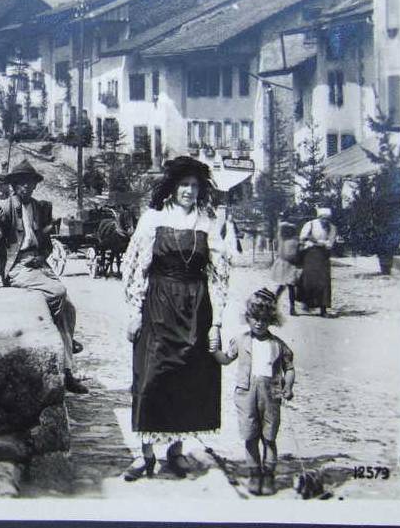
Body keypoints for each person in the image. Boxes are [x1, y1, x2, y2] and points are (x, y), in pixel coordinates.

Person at [121, 156, 230, 480]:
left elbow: (220, 274)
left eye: (195, 186)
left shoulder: (207, 223)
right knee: (150, 376)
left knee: (187, 378)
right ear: (172, 187)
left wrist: (218, 321)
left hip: (196, 309)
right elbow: (134, 268)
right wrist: (134, 313)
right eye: (184, 184)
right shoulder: (152, 220)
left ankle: (176, 451)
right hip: (157, 307)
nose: (189, 191)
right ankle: (145, 455)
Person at [0, 159, 89, 394]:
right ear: (15, 185)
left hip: (37, 264)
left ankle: (67, 363)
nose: (26, 187)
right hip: (16, 268)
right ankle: (65, 358)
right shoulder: (4, 208)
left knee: (69, 308)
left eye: (30, 183)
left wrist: (44, 252)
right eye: (21, 183)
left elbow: (45, 241)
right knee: (58, 293)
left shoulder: (39, 208)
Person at [213, 288, 295, 496]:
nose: (259, 323)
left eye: (264, 319)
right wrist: (214, 350)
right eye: (255, 318)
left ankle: (268, 474)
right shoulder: (240, 341)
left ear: (272, 320)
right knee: (250, 436)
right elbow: (225, 359)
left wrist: (288, 387)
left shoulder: (278, 345)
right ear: (247, 318)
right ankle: (254, 473)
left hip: (271, 396)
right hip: (246, 396)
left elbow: (290, 368)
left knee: (269, 437)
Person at [299, 207, 337, 316]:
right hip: (310, 255)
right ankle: (307, 303)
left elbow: (329, 244)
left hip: (324, 256)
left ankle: (323, 308)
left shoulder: (332, 228)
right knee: (309, 280)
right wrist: (316, 242)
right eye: (323, 218)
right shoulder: (310, 224)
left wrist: (315, 241)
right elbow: (303, 238)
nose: (325, 221)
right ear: (319, 217)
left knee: (324, 282)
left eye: (327, 219)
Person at [271, 220, 302, 316]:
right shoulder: (294, 241)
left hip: (281, 264)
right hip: (290, 265)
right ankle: (292, 309)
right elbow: (292, 255)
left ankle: (273, 304)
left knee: (282, 286)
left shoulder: (281, 239)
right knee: (291, 287)